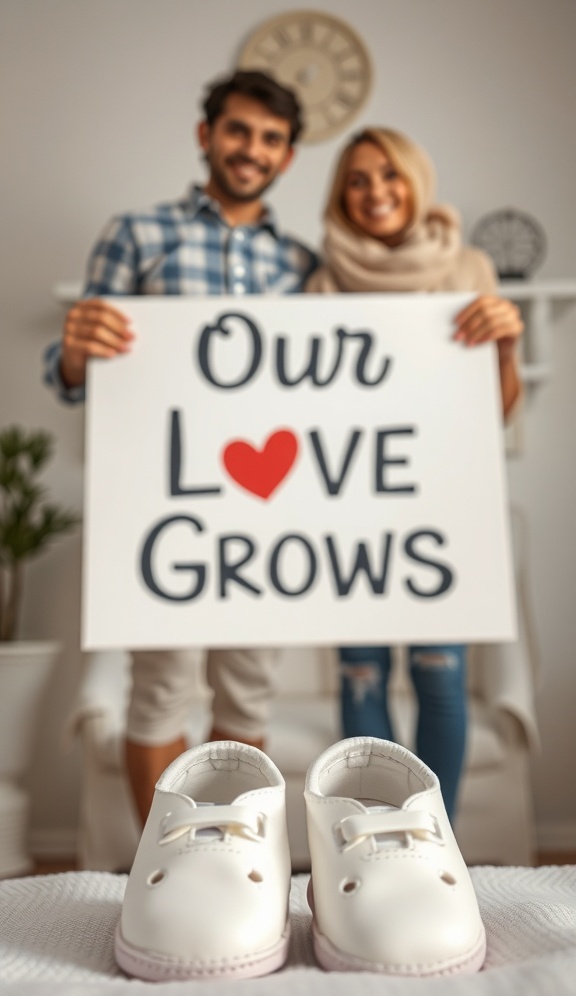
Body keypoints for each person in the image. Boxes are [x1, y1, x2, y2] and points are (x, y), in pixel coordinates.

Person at [44, 69, 317, 825]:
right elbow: (76, 377)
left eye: (270, 138)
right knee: (160, 688)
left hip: (266, 509)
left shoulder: (301, 264)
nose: (252, 149)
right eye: (238, 130)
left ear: (288, 156)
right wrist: (77, 351)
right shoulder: (135, 235)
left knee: (248, 691)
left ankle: (230, 852)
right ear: (207, 134)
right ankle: (164, 860)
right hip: (161, 500)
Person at [306, 126, 523, 821]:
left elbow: (498, 410)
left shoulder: (468, 270)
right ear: (341, 194)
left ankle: (434, 841)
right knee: (361, 677)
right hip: (350, 508)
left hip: (440, 506)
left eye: (389, 174)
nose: (376, 191)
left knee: (440, 677)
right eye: (358, 179)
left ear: (415, 180)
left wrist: (506, 347)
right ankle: (374, 838)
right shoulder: (323, 283)